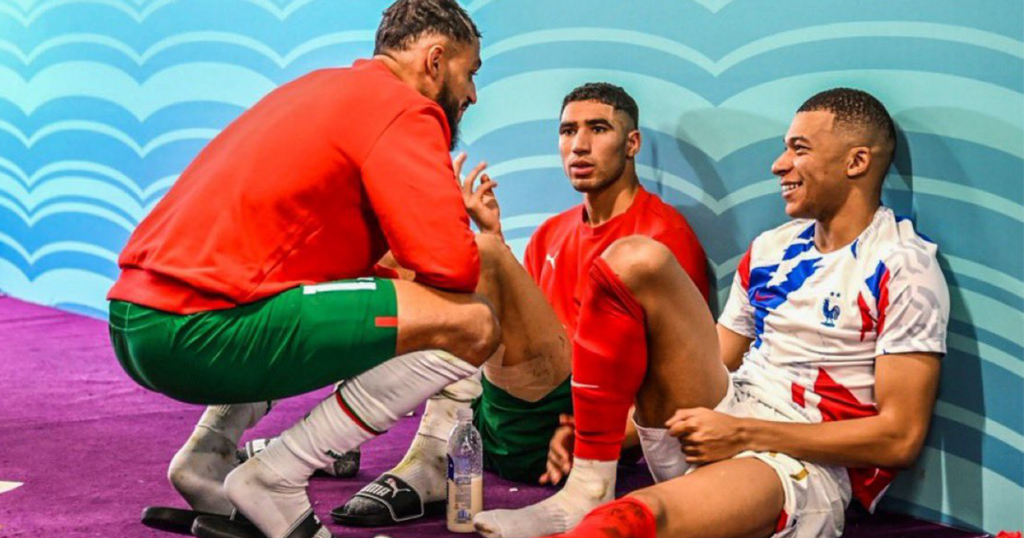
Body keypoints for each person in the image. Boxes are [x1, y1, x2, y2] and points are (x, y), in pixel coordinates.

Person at [473, 88, 949, 538]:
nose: (779, 164)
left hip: (798, 466)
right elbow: (716, 360)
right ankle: (588, 483)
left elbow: (900, 438)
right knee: (635, 258)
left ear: (857, 162)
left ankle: (598, 501)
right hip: (723, 420)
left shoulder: (903, 265)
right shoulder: (772, 248)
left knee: (624, 522)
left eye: (799, 149)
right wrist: (605, 439)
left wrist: (742, 432)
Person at [106, 2, 500, 538]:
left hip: (137, 321)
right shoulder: (404, 108)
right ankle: (277, 475)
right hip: (194, 332)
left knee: (345, 292)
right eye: (470, 72)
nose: (472, 94)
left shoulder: (317, 87)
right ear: (435, 61)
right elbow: (451, 266)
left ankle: (207, 459)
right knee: (471, 323)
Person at [334, 83, 710, 526]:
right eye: (568, 131)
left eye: (598, 129)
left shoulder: (661, 239)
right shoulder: (552, 232)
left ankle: (426, 457)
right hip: (492, 423)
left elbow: (677, 381)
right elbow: (523, 339)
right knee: (394, 251)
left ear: (632, 143)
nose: (579, 145)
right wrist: (492, 237)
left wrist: (598, 440)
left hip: (566, 430)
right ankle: (334, 438)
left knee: (480, 255)